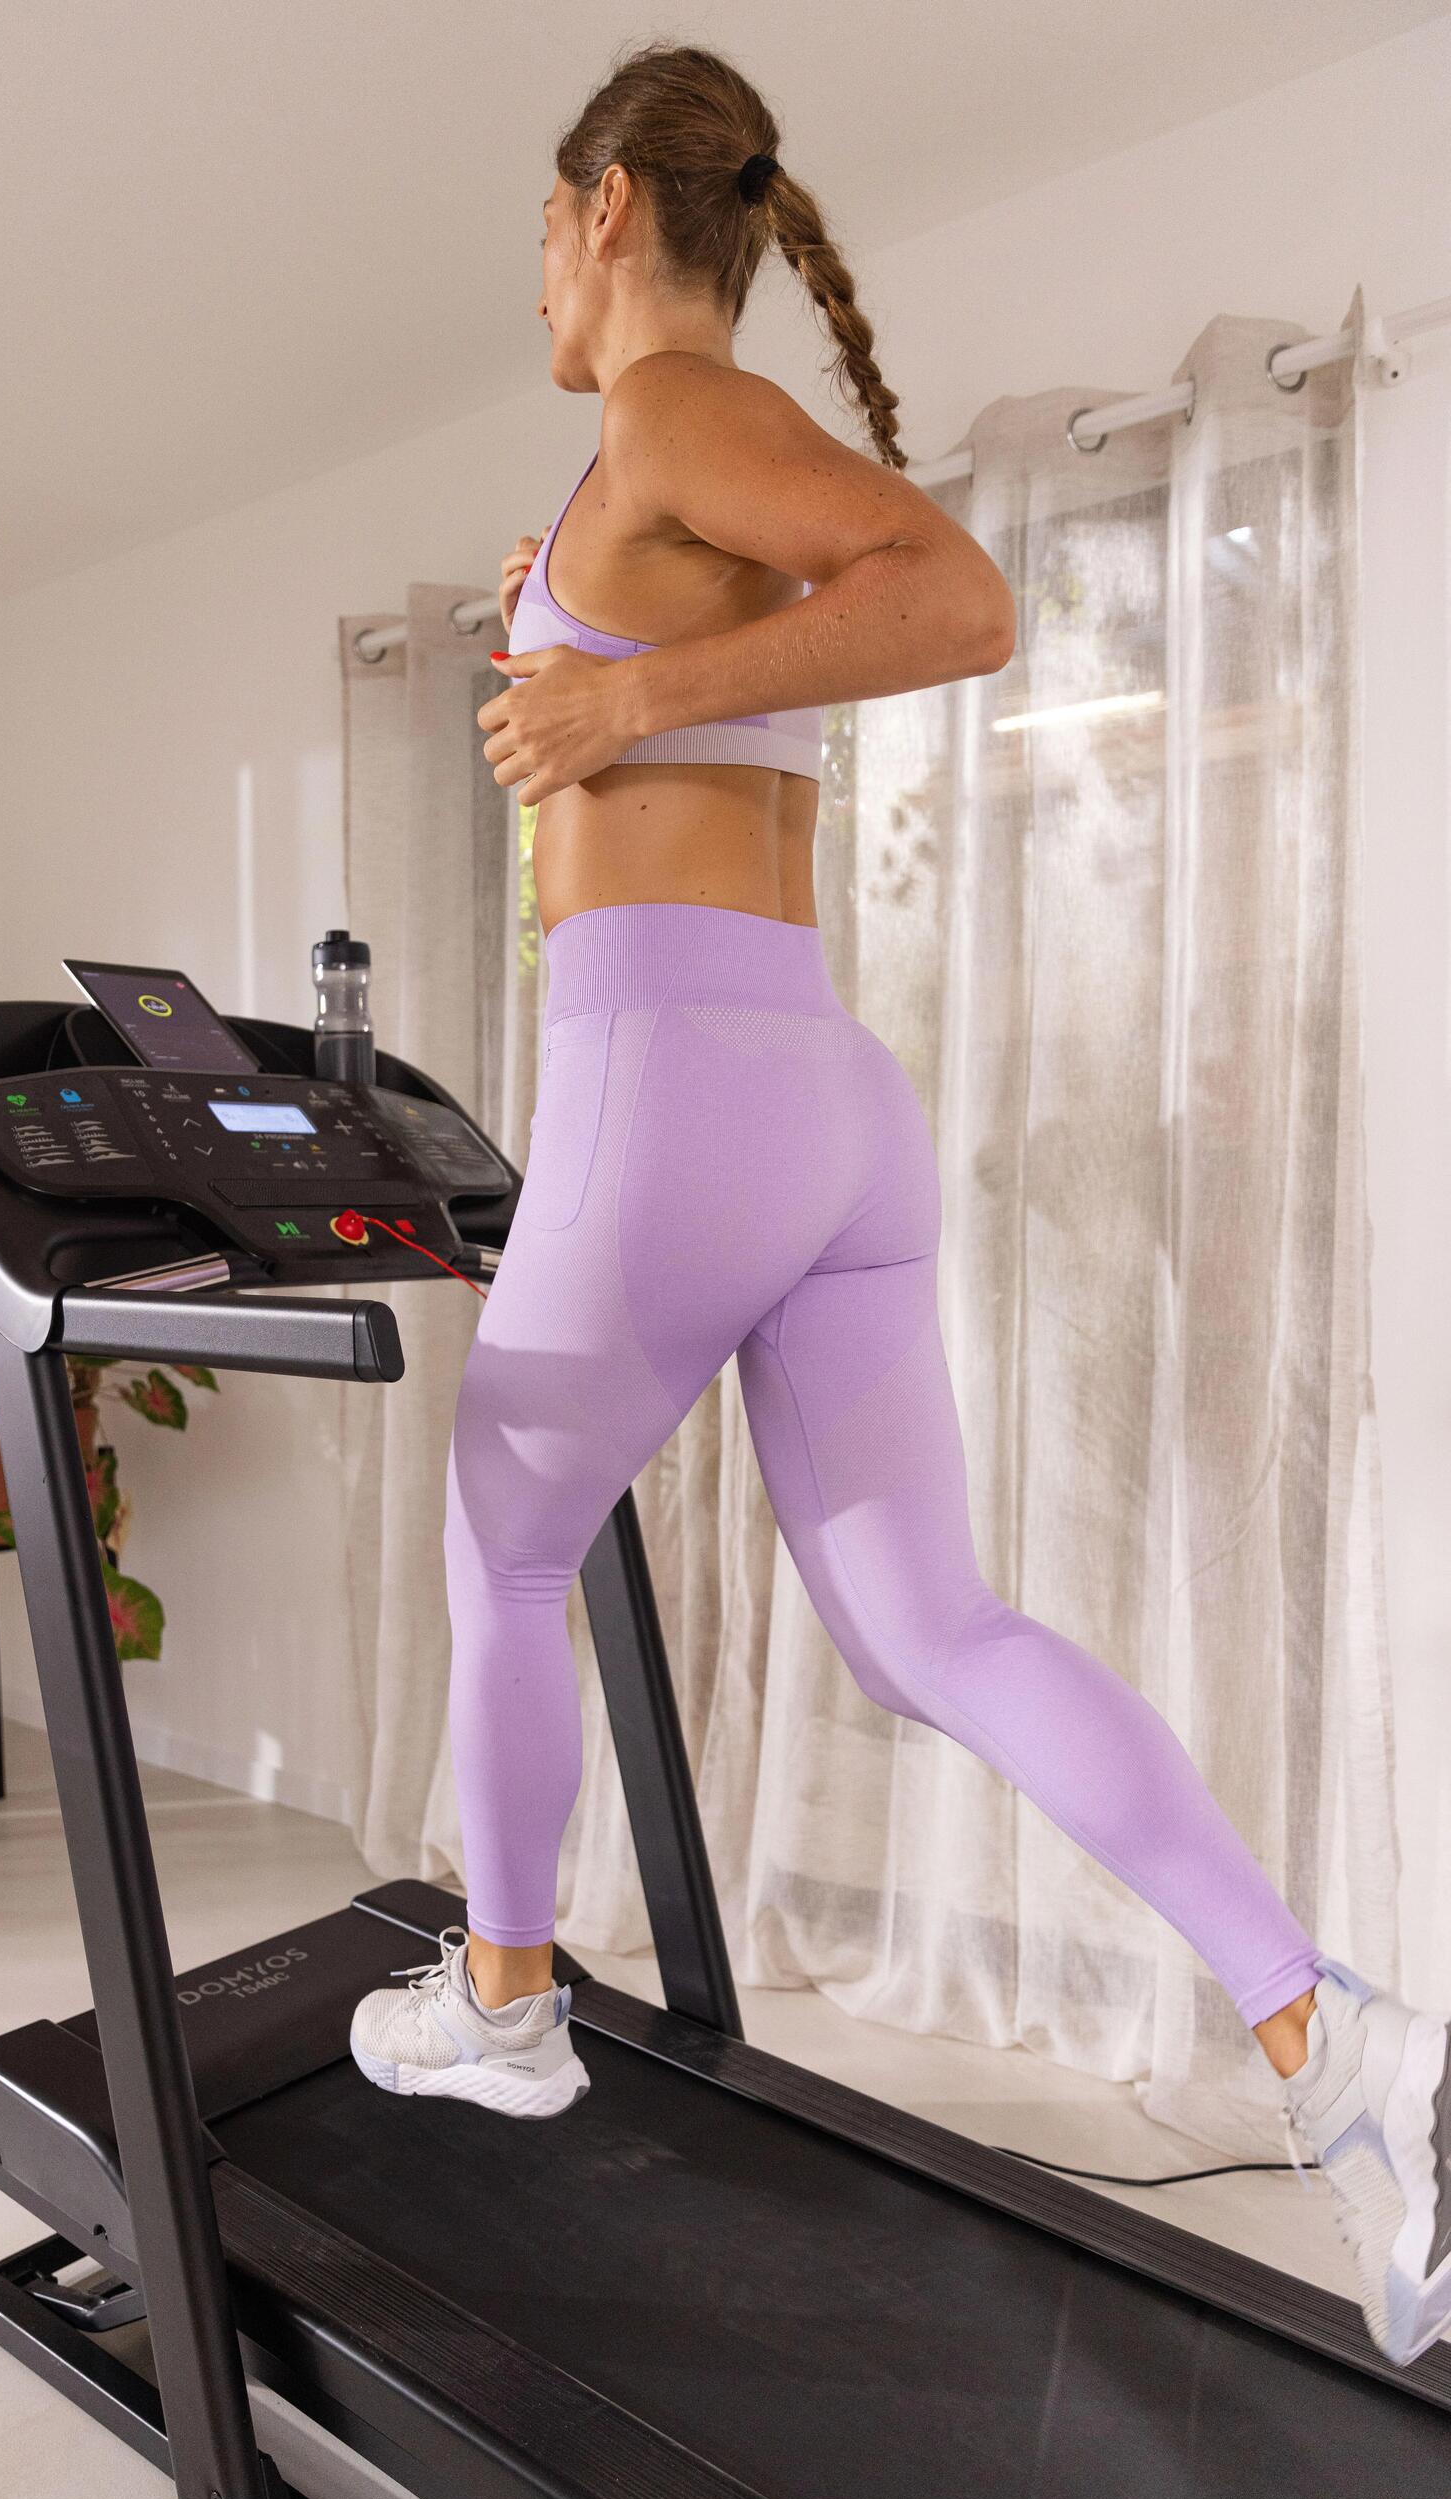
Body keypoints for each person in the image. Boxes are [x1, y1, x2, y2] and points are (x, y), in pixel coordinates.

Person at [347, 39, 1451, 2368]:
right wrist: (594, 695)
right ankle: (1327, 2037)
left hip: (677, 1069)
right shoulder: (639, 469)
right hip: (820, 1094)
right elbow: (775, 650)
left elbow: (957, 597)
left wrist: (618, 716)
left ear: (612, 210)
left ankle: (512, 1993)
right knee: (929, 1628)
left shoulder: (665, 413)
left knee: (506, 1542)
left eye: (542, 231)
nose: (534, 277)